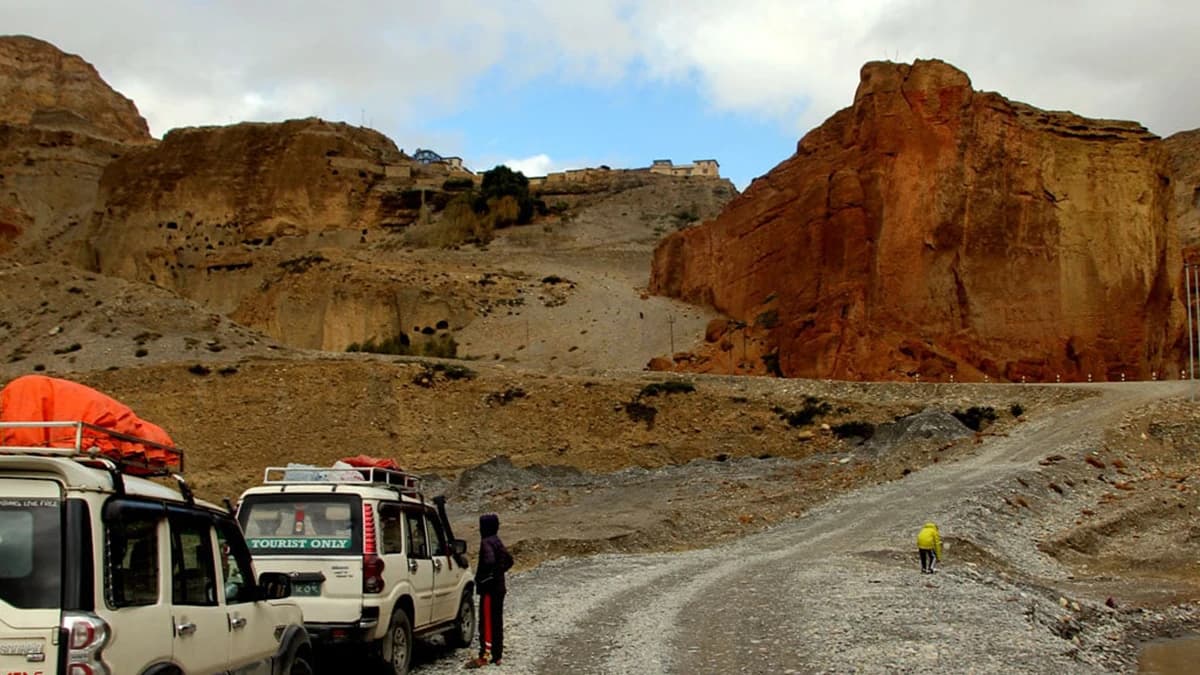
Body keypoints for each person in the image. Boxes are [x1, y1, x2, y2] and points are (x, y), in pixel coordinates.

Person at [465, 513, 513, 669]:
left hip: (489, 591)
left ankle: (485, 656)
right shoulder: (497, 540)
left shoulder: (486, 542)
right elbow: (509, 560)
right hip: (499, 588)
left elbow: (489, 561)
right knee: (497, 621)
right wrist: (499, 573)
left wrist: (483, 579)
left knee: (486, 622)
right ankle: (497, 656)